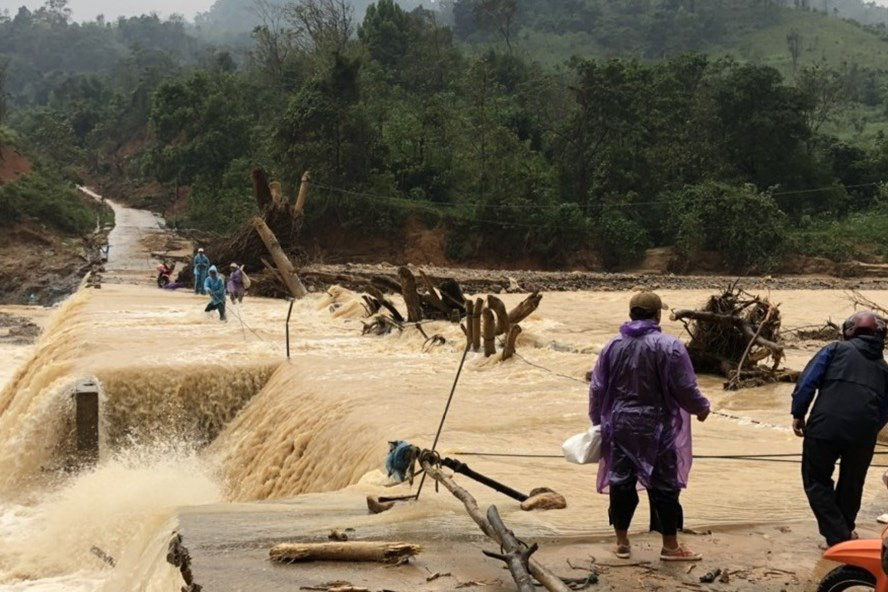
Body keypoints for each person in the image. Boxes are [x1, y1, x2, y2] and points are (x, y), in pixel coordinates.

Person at [588, 291, 711, 562]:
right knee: (665, 485)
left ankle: (621, 542)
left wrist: (597, 420)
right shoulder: (670, 346)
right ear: (657, 315)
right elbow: (685, 387)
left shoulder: (612, 346)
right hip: (657, 425)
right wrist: (701, 408)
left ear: (631, 314)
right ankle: (670, 546)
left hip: (620, 424)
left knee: (621, 482)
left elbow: (597, 387)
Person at [791, 311, 888, 549]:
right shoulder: (885, 369)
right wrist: (871, 429)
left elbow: (807, 382)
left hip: (825, 426)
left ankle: (838, 536)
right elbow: (886, 409)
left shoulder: (834, 350)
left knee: (815, 478)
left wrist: (798, 412)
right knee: (852, 482)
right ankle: (845, 531)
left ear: (850, 330)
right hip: (864, 433)